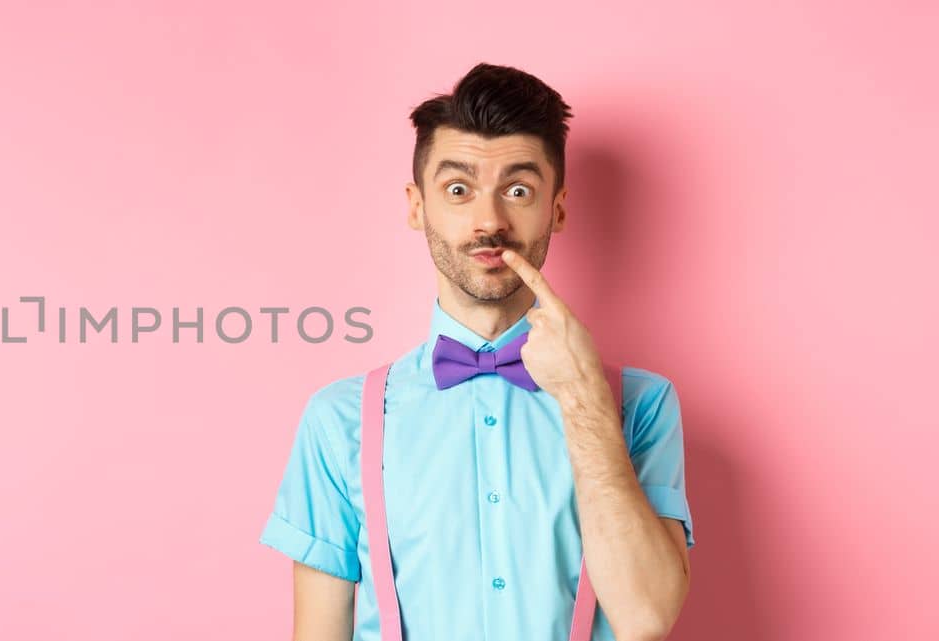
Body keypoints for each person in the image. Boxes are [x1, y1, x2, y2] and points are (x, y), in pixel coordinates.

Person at [258, 62, 694, 641]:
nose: (489, 221)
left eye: (518, 190)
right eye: (458, 190)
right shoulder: (338, 421)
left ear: (557, 209)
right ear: (417, 207)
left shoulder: (641, 404)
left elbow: (647, 618)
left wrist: (586, 401)